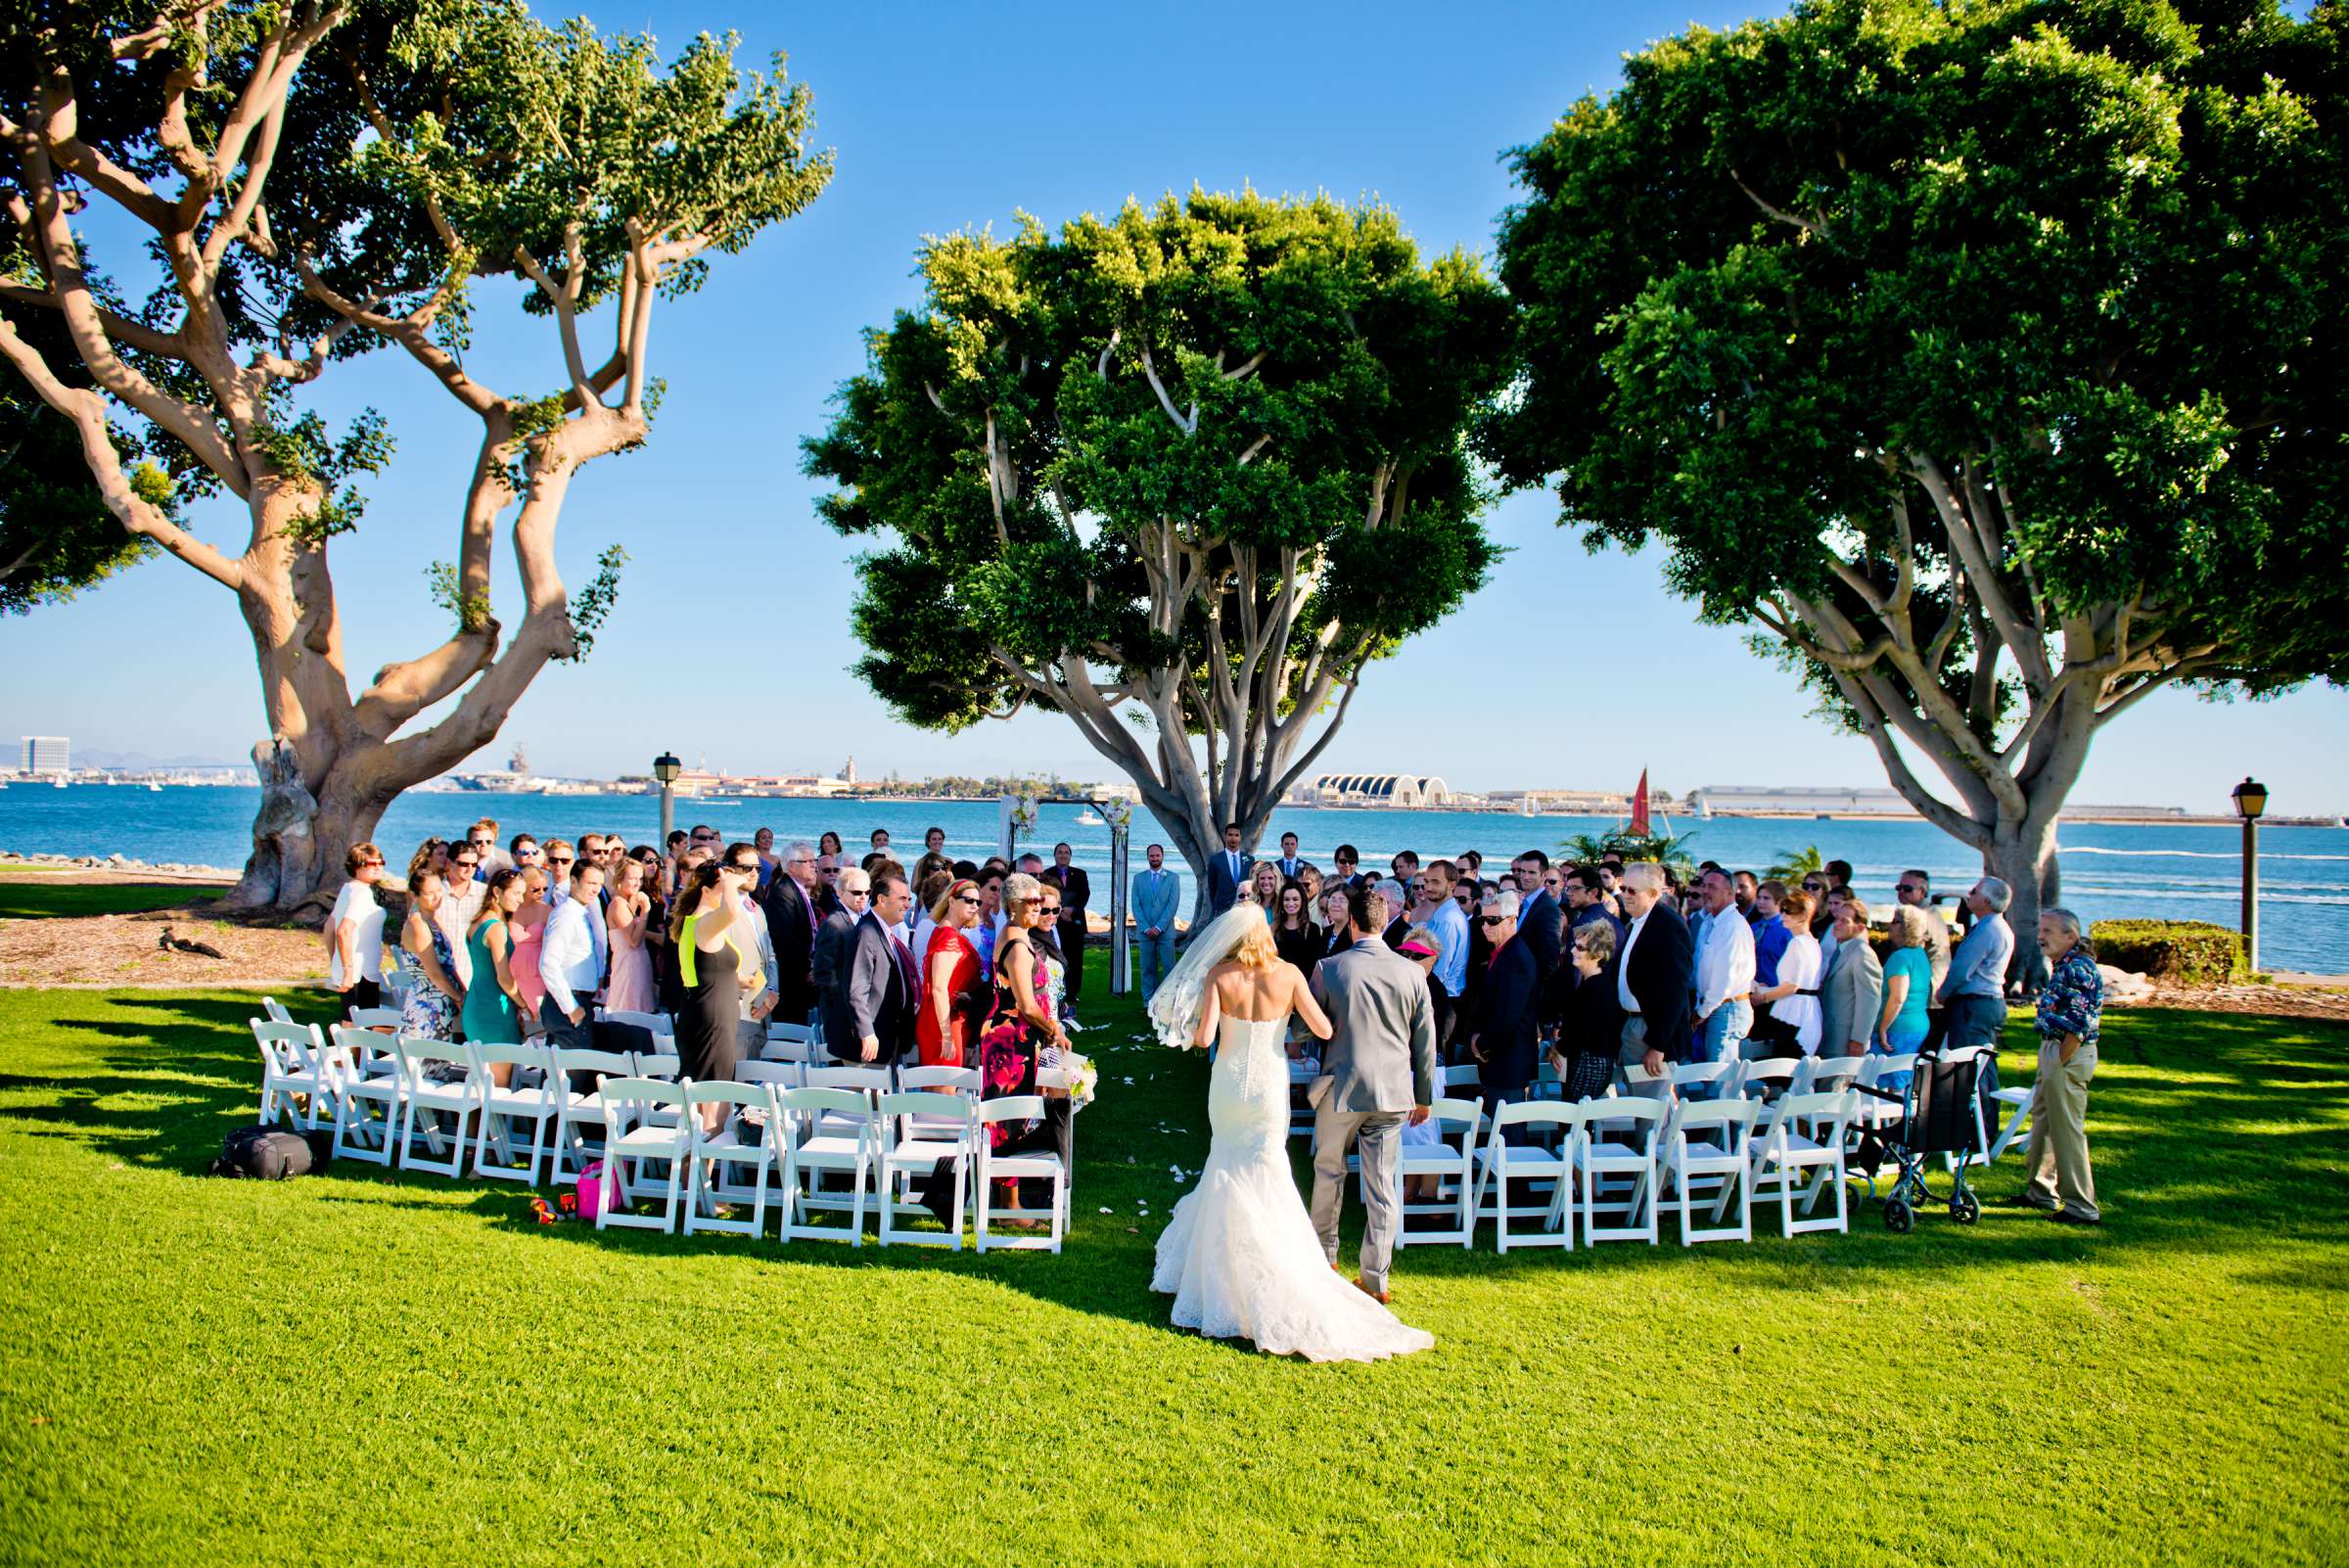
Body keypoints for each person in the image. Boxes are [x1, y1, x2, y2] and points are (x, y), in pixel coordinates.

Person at [1148, 895, 1433, 1360]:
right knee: (1268, 1166)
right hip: (1268, 1085)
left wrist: (1207, 1022)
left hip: (1228, 1085)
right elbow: (1321, 1030)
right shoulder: (1290, 975)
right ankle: (1280, 1259)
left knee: (1225, 1160)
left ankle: (1219, 1271)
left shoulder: (1220, 976)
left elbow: (1203, 1039)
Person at [2011, 906, 2102, 1224]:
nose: (2040, 936)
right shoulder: (2063, 966)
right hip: (2054, 1050)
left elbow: (2078, 1025)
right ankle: (2040, 1192)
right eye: (2040, 930)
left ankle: (2081, 1206)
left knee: (2066, 1130)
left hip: (2066, 1054)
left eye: (2048, 931)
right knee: (2044, 1123)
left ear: (2070, 936)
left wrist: (2059, 1061)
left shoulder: (2078, 969)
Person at [670, 855, 760, 1126]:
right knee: (711, 1111)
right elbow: (733, 911)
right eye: (722, 889)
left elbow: (706, 968)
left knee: (708, 1108)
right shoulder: (702, 922)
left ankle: (695, 1165)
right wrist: (732, 883)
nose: (728, 895)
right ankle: (696, 1165)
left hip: (709, 1013)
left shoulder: (698, 923)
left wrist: (739, 980)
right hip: (710, 1022)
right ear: (707, 891)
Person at [1469, 890, 1542, 1125]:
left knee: (1509, 1136)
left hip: (1508, 1061)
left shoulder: (1517, 958)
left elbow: (1508, 1017)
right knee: (1500, 1132)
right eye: (1482, 920)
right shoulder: (1504, 953)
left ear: (1512, 920)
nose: (1485, 927)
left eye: (1493, 920)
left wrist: (1481, 1044)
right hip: (1501, 1060)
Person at [1616, 861, 1694, 1075]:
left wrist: (1658, 1045)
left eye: (1632, 890)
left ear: (1652, 894)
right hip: (1632, 1023)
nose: (1625, 895)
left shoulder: (1668, 926)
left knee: (1651, 1102)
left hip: (1648, 1029)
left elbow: (1676, 991)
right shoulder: (1637, 922)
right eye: (1623, 889)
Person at [842, 871, 919, 1066]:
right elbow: (856, 989)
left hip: (888, 1035)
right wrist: (866, 1033)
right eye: (902, 898)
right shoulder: (867, 932)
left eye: (909, 899)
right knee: (866, 1096)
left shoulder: (884, 931)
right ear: (882, 900)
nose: (908, 905)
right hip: (869, 1043)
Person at [460, 869, 530, 1076]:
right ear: (497, 891)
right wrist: (525, 1005)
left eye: (522, 894)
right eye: (516, 893)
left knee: (480, 1083)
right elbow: (504, 978)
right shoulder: (496, 928)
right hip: (496, 1007)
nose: (520, 900)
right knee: (497, 1087)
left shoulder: (476, 922)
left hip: (475, 1002)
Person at [537, 856, 607, 1055]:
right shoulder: (566, 916)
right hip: (568, 1002)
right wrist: (571, 1007)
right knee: (571, 1076)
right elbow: (548, 964)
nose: (596, 889)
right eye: (591, 883)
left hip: (577, 1000)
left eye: (599, 884)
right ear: (573, 881)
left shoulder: (579, 914)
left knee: (558, 1074)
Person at [1549, 919, 1624, 1103]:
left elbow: (1583, 1033)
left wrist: (1558, 1048)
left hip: (1589, 1065)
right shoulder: (1593, 985)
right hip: (1587, 1062)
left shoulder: (1598, 989)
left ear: (1597, 954)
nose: (1573, 950)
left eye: (1580, 948)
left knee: (1575, 1123)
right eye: (1575, 945)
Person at [1690, 867, 1757, 1066]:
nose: (1705, 891)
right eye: (1704, 885)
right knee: (1705, 1073)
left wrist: (1702, 1012)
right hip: (1712, 1005)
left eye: (1712, 886)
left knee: (1718, 1080)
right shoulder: (1709, 922)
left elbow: (1724, 977)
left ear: (1729, 893)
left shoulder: (1733, 926)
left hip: (1726, 1008)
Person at [1940, 877, 2014, 1050]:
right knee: (1981, 1062)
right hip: (1988, 1002)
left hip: (1974, 1004)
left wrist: (1944, 992)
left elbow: (1962, 969)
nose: (1969, 894)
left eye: (1974, 891)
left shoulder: (1986, 930)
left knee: (1966, 1062)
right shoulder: (2000, 927)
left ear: (1986, 901)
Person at [920, 878, 986, 1068]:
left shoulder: (950, 934)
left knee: (944, 1089)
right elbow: (939, 989)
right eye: (968, 900)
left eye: (977, 902)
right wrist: (947, 1036)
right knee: (945, 1090)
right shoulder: (948, 937)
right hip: (944, 1022)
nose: (974, 906)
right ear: (951, 901)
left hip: (950, 1018)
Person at [395, 865, 465, 1040]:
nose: (437, 897)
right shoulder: (418, 925)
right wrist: (459, 998)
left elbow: (449, 964)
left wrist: (462, 991)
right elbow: (434, 973)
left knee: (440, 1063)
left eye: (439, 890)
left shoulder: (433, 919)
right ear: (415, 895)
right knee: (425, 1064)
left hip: (444, 999)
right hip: (428, 1005)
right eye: (429, 893)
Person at [1754, 888, 1823, 1056]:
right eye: (1782, 910)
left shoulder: (1798, 943)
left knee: (1787, 1066)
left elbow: (1792, 986)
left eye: (1789, 911)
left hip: (1795, 1012)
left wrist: (1763, 997)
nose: (1783, 915)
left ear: (1803, 915)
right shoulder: (1812, 942)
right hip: (1805, 1010)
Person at [760, 840, 821, 1025]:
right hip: (792, 978)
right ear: (791, 866)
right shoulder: (783, 893)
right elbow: (785, 941)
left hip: (802, 974)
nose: (814, 865)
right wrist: (808, 967)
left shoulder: (798, 890)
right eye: (808, 861)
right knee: (790, 1025)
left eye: (814, 860)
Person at [1819, 896, 1884, 1059]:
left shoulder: (1862, 953)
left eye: (1844, 921)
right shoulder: (1841, 948)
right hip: (1829, 1035)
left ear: (1860, 927)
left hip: (1845, 1039)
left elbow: (1870, 999)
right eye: (1837, 919)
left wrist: (1859, 1039)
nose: (1837, 924)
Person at [325, 842, 388, 1013]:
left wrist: (336, 961)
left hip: (358, 973)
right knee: (363, 1029)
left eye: (380, 862)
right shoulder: (362, 893)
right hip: (361, 974)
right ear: (356, 867)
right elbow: (342, 931)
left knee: (350, 1025)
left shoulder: (349, 889)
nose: (378, 867)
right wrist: (348, 972)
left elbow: (328, 927)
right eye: (371, 863)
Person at [812, 866, 871, 1048]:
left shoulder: (861, 919)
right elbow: (824, 973)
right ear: (840, 892)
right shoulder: (834, 924)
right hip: (840, 1013)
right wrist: (847, 1004)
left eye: (867, 892)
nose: (863, 897)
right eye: (856, 892)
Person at [1876, 905, 1934, 1074]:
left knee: (1885, 1078)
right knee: (1902, 1078)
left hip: (1899, 1027)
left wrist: (1883, 1028)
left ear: (1907, 927)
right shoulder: (1919, 953)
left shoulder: (1900, 957)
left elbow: (1898, 998)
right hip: (1918, 1023)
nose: (1889, 925)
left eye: (1895, 922)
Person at [601, 853, 657, 1015]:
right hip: (629, 965)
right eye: (632, 878)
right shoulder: (618, 904)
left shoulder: (625, 903)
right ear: (620, 879)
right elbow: (633, 941)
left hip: (636, 963)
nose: (637, 883)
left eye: (640, 879)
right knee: (629, 1009)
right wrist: (645, 912)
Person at [1133, 844, 1181, 1000]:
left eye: (1157, 855)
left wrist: (1159, 927)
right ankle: (1149, 1000)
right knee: (1147, 968)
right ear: (1147, 857)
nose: (1154, 858)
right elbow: (1136, 905)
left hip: (1165, 932)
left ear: (1162, 856)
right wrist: (1146, 928)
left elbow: (1172, 905)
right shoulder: (1138, 878)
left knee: (1169, 967)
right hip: (1145, 932)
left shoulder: (1173, 878)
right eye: (1151, 855)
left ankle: (1167, 1000)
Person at [1045, 841, 1092, 998]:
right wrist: (1058, 911)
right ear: (1055, 855)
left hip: (1075, 922)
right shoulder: (1047, 874)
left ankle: (1072, 992)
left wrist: (1073, 910)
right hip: (1054, 923)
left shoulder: (1080, 874)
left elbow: (1084, 895)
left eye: (1066, 852)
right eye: (1060, 852)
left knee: (1075, 959)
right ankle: (1055, 990)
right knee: (1055, 957)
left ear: (1070, 856)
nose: (1063, 855)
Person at [510, 865, 551, 1035]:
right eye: (536, 889)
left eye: (545, 888)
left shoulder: (546, 910)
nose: (541, 892)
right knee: (517, 1019)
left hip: (537, 973)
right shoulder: (510, 909)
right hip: (513, 972)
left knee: (539, 1018)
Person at [438, 840, 484, 987]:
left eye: (474, 865)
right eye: (463, 864)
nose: (469, 869)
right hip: (439, 972)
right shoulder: (434, 892)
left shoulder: (484, 894)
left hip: (473, 974)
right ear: (449, 862)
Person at [1272, 882, 1321, 978]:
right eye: (1286, 899)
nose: (1291, 903)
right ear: (1281, 902)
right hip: (1279, 983)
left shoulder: (1313, 929)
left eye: (1295, 899)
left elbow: (1315, 964)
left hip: (1305, 985)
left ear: (1302, 901)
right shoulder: (1273, 929)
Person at [1204, 822, 1252, 916]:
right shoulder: (1215, 860)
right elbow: (1212, 887)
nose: (1233, 838)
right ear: (1225, 836)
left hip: (1243, 907)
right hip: (1221, 908)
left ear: (1240, 837)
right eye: (1230, 835)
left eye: (1236, 835)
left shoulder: (1249, 860)